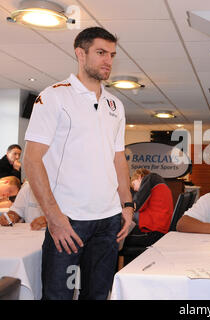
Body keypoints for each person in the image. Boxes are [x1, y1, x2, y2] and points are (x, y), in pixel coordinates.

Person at [23, 27, 133, 300]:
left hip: (108, 221)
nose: (108, 60)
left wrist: (128, 206)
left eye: (111, 54)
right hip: (68, 220)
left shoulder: (115, 105)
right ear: (80, 54)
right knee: (58, 296)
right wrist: (53, 217)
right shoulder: (54, 96)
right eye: (100, 53)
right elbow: (32, 159)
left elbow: (118, 159)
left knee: (97, 296)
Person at [121, 168, 174, 264]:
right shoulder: (159, 184)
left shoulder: (151, 178)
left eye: (134, 185)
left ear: (139, 177)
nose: (136, 189)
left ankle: (116, 274)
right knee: (117, 236)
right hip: (159, 232)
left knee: (115, 237)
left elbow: (136, 205)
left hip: (151, 232)